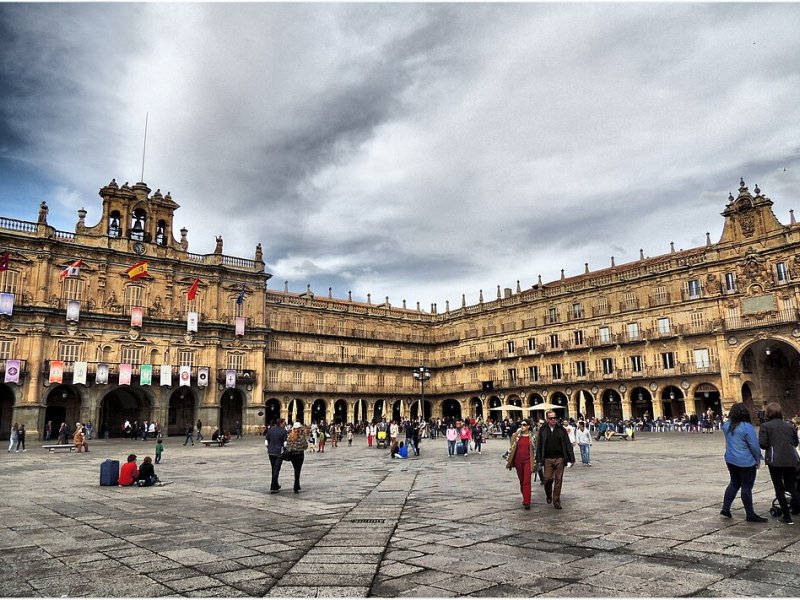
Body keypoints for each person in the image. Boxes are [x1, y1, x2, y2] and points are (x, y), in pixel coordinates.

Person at [720, 403, 767, 522]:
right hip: (745, 461)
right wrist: (758, 458)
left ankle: (725, 508)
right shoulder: (747, 427)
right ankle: (750, 514)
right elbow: (754, 446)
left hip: (730, 459)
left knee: (734, 483)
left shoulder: (726, 425)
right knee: (746, 487)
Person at [758, 402, 800, 524]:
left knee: (779, 488)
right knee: (792, 487)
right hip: (791, 460)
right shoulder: (789, 426)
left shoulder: (765, 426)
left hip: (775, 461)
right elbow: (795, 442)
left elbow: (763, 444)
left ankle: (786, 516)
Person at [535, 411, 576, 510]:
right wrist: (538, 459)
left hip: (560, 458)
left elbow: (567, 443)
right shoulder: (543, 430)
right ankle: (548, 494)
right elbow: (539, 445)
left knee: (558, 480)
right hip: (547, 458)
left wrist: (572, 458)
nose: (553, 420)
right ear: (547, 419)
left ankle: (556, 501)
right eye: (551, 418)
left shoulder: (561, 429)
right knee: (547, 479)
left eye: (555, 418)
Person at [506, 419, 536, 509]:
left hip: (528, 461)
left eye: (524, 425)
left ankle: (527, 502)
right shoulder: (516, 436)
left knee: (527, 481)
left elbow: (536, 449)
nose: (522, 426)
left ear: (528, 426)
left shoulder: (533, 437)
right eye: (521, 425)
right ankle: (525, 497)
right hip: (518, 461)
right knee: (522, 481)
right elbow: (511, 448)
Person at [265, 419, 288, 493]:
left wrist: (269, 448)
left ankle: (276, 484)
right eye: (284, 423)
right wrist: (285, 450)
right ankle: (273, 487)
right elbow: (285, 444)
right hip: (279, 453)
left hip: (271, 452)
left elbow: (266, 442)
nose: (285, 425)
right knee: (276, 469)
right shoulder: (283, 431)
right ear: (281, 423)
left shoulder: (270, 430)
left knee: (274, 469)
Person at [285, 422, 309, 493]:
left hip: (292, 455)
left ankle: (297, 485)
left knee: (296, 469)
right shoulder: (301, 436)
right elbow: (305, 446)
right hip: (300, 455)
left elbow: (288, 446)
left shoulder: (290, 436)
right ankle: (296, 485)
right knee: (298, 470)